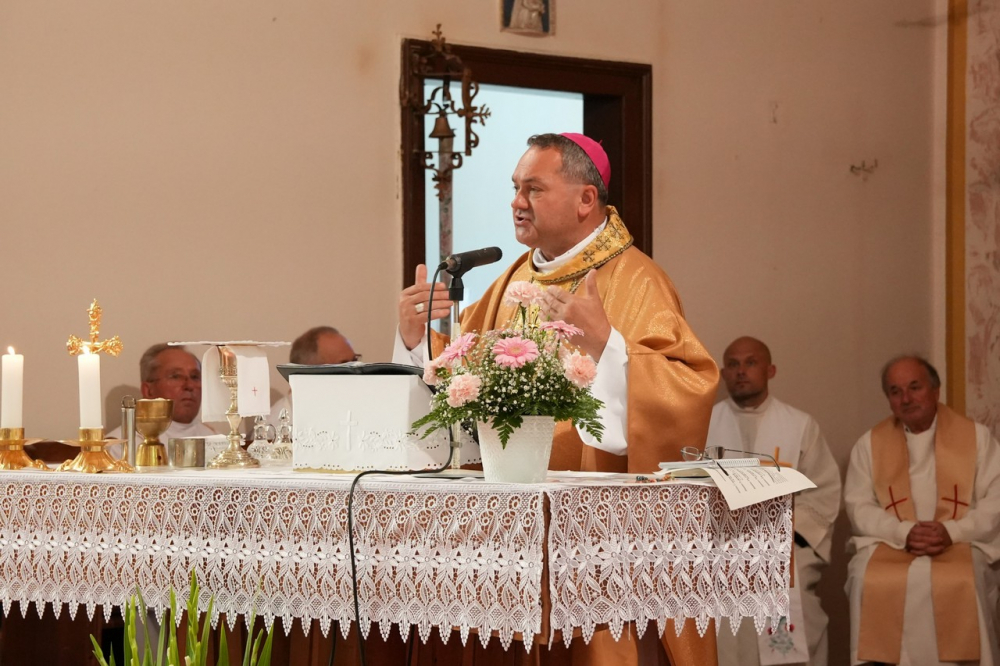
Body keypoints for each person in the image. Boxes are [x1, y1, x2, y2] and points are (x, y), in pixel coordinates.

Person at [393, 132, 720, 665]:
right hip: (507, 534)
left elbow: (686, 387)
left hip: (598, 544)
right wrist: (415, 340)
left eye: (534, 189)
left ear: (586, 199)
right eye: (515, 188)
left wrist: (608, 346)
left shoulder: (637, 279)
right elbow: (459, 371)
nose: (517, 202)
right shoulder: (513, 279)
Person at [844, 356, 1000, 665]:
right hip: (895, 542)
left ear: (935, 390)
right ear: (889, 399)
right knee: (865, 576)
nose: (906, 399)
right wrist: (904, 532)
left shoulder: (977, 438)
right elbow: (858, 506)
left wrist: (951, 531)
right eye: (895, 391)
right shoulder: (870, 444)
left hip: (960, 542)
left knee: (966, 578)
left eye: (915, 387)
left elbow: (996, 499)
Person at [707, 336, 841, 666]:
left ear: (770, 370)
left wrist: (785, 534)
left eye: (750, 363)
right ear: (723, 374)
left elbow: (823, 490)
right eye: (733, 364)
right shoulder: (704, 424)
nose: (741, 371)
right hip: (721, 542)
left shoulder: (799, 425)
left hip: (784, 543)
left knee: (795, 591)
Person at [108, 343, 218, 457]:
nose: (189, 385)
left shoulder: (214, 438)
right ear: (148, 391)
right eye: (176, 376)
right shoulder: (122, 446)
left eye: (195, 377)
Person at [269, 326, 358, 424]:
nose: (357, 372)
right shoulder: (276, 426)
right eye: (345, 366)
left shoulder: (352, 409)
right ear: (310, 373)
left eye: (355, 361)